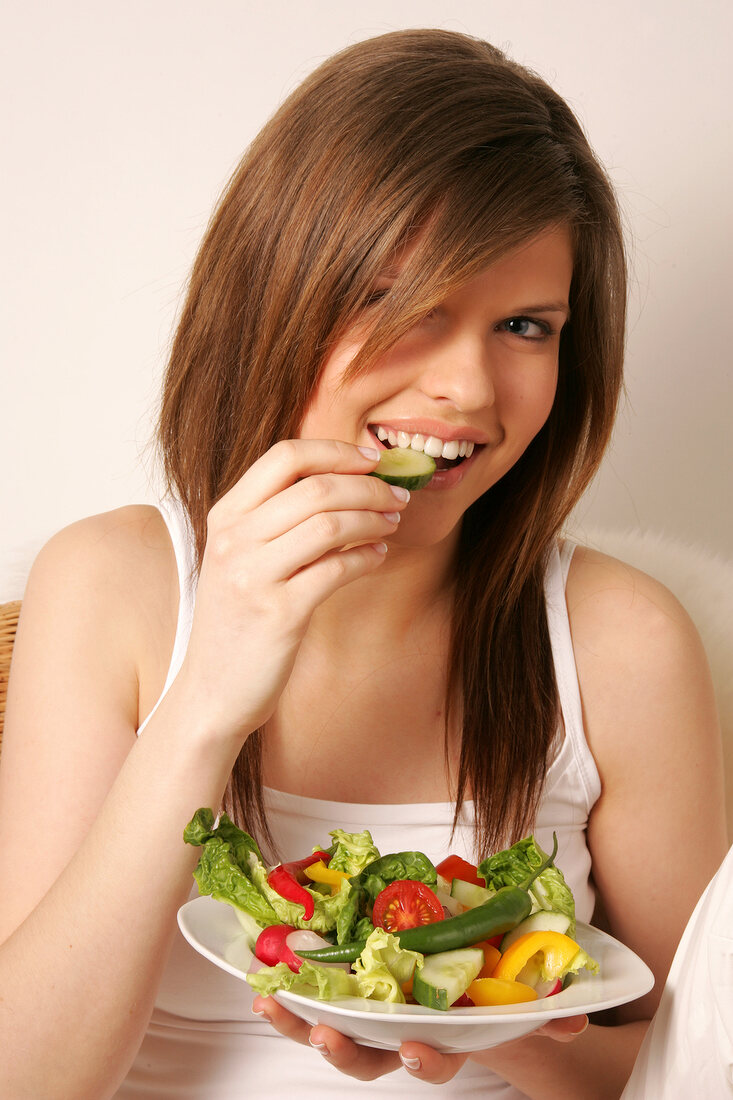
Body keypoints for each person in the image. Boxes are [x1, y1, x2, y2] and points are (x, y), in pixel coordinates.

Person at [0, 27, 727, 1100]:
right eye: (405, 305)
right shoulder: (113, 586)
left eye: (524, 324)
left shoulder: (624, 640)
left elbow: (693, 1064)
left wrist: (487, 1023)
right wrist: (208, 695)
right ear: (275, 298)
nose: (469, 391)